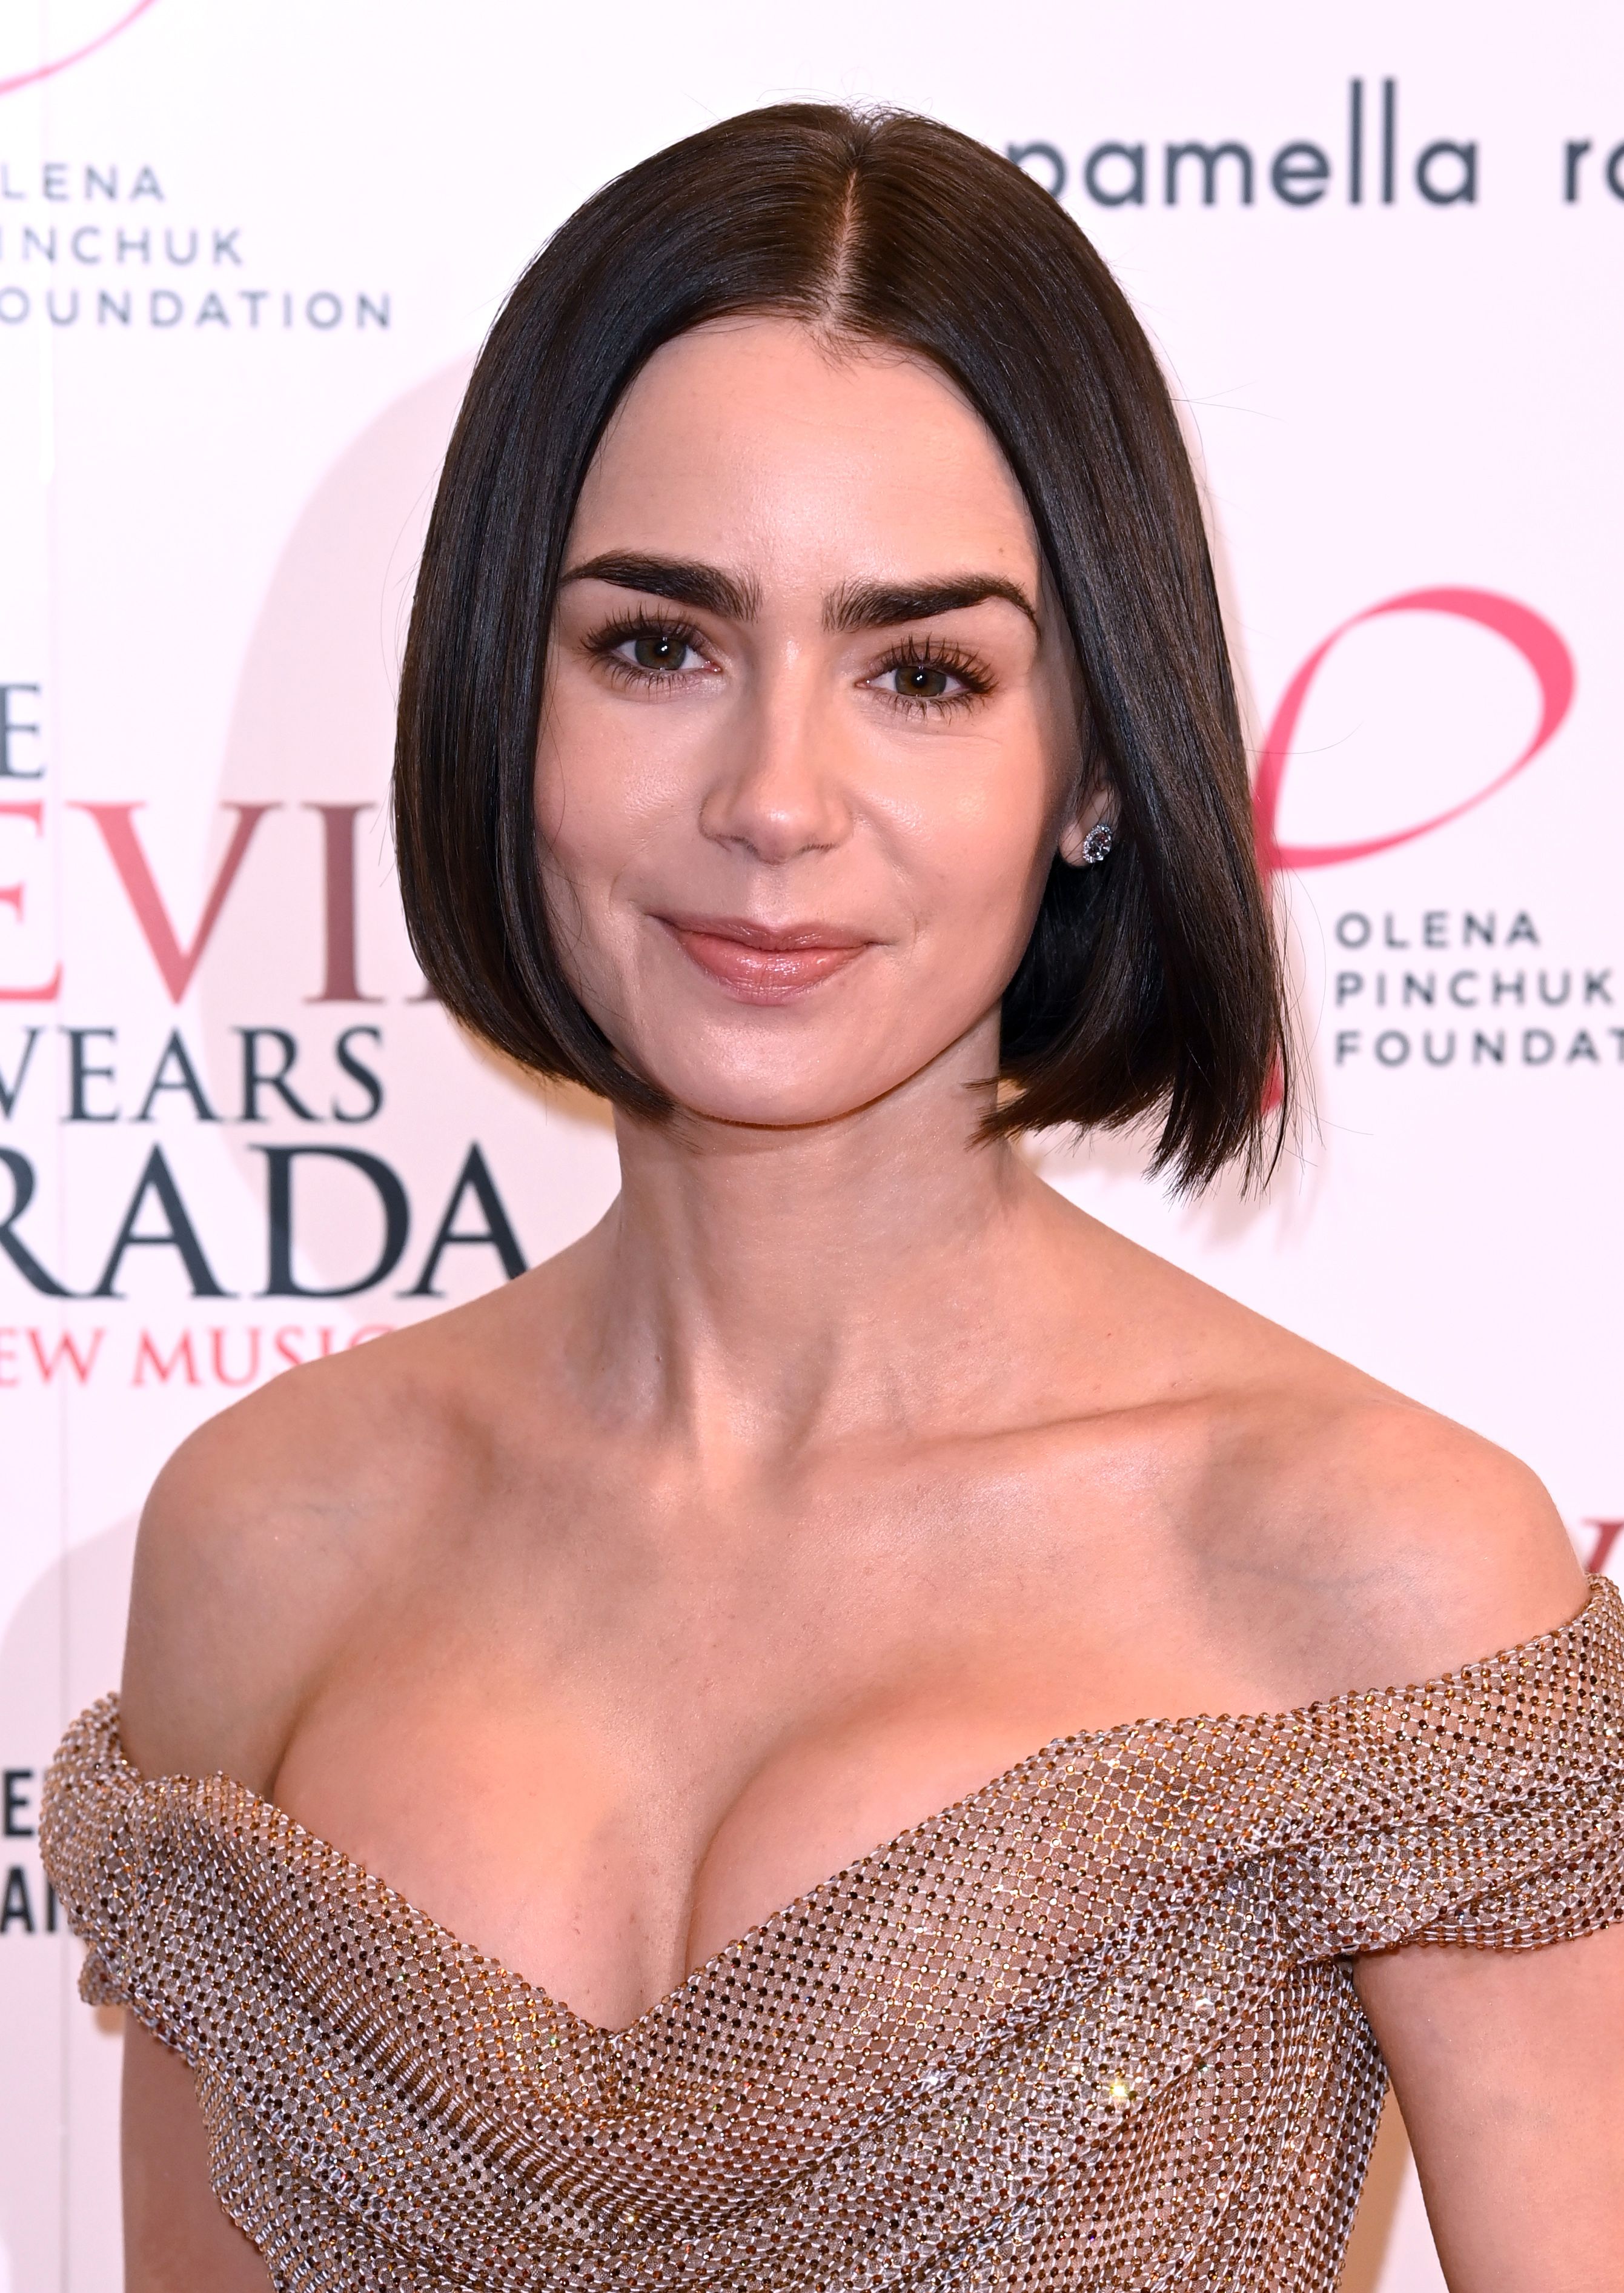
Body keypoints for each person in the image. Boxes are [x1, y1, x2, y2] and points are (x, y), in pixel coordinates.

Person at [42, 103, 1623, 2293]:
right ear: (504, 696)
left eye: (922, 674)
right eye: (657, 646)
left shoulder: (1373, 1569)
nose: (775, 799)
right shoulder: (273, 1534)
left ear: (1090, 769)